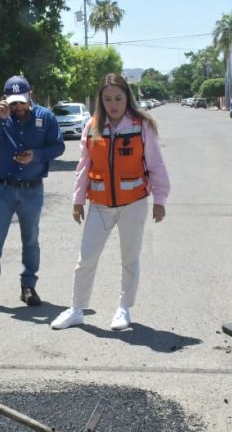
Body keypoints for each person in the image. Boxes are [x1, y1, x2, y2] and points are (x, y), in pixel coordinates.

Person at [50, 73, 171, 331]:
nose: (113, 104)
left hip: (134, 203)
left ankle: (124, 308)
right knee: (86, 258)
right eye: (107, 99)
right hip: (100, 205)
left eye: (118, 98)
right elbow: (84, 165)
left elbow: (156, 164)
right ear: (100, 100)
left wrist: (160, 199)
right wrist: (78, 199)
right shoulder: (92, 126)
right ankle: (76, 309)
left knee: (130, 259)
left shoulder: (141, 125)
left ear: (127, 97)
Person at [0, 76, 65, 309]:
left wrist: (36, 155)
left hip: (32, 189)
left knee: (31, 239)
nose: (18, 107)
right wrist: (1, 120)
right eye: (13, 102)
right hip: (3, 188)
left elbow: (58, 146)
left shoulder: (45, 117)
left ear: (30, 95)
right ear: (5, 99)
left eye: (22, 102)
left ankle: (28, 286)